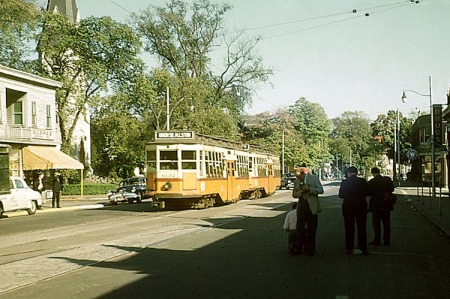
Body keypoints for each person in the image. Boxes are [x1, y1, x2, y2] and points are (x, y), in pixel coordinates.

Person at [292, 164, 324, 256]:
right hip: (302, 204)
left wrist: (310, 189)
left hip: (312, 206)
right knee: (300, 227)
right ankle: (299, 248)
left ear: (303, 173)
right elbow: (294, 194)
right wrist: (301, 192)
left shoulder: (313, 178)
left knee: (312, 228)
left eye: (298, 175)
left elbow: (321, 190)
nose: (297, 177)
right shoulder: (296, 182)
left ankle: (311, 249)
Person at [338, 166, 370, 255]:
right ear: (356, 172)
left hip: (348, 207)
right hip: (361, 207)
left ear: (348, 173)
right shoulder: (362, 181)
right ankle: (363, 248)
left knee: (349, 228)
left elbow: (341, 195)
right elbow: (368, 193)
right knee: (362, 228)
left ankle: (349, 248)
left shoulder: (345, 182)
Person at [368, 167, 395, 246]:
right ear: (379, 172)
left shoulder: (372, 182)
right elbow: (392, 189)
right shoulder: (387, 180)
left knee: (376, 224)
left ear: (373, 173)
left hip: (376, 205)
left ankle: (377, 240)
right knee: (386, 223)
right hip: (386, 204)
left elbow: (368, 192)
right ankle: (387, 241)